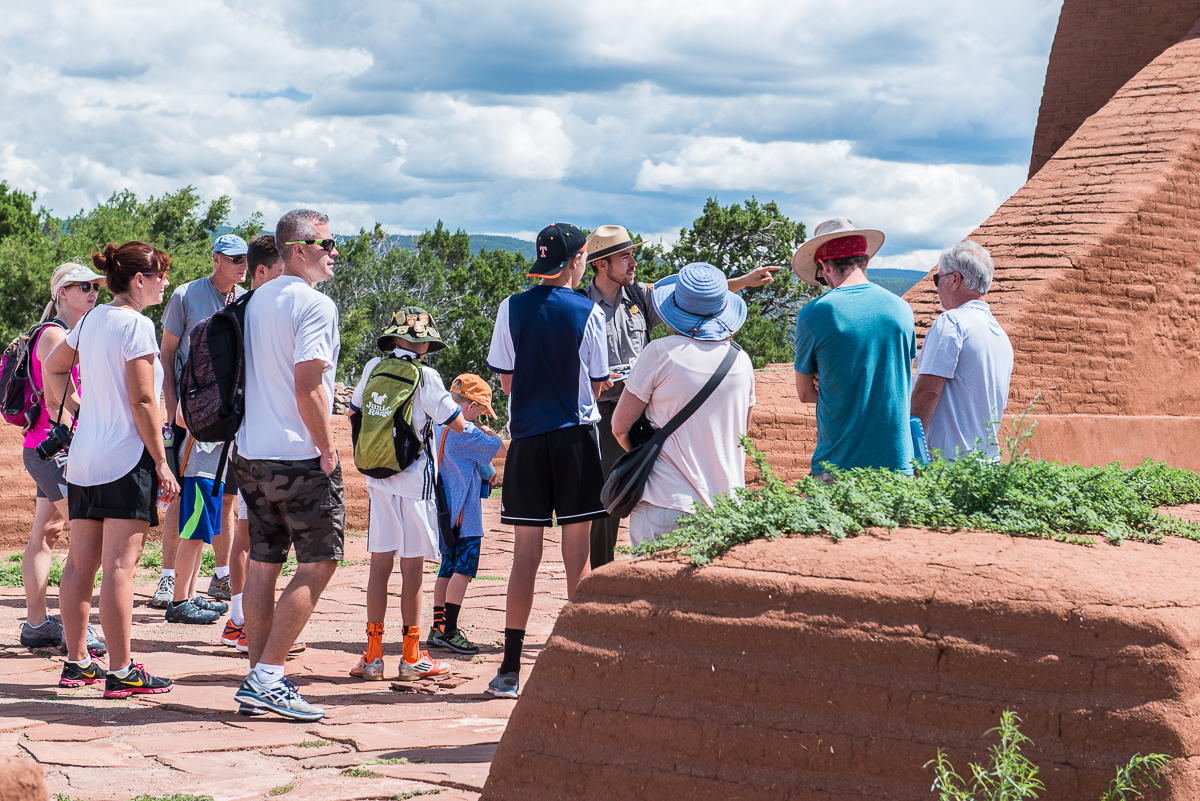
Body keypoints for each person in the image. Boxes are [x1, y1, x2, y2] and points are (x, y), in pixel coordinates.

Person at [582, 225, 780, 567]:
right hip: (603, 414)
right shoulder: (581, 306)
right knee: (605, 504)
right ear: (601, 264)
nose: (633, 263)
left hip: (643, 419)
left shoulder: (640, 296)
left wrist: (743, 281)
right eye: (625, 257)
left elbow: (691, 298)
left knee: (646, 492)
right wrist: (594, 380)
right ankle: (601, 574)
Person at [44, 241, 181, 697]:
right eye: (160, 274)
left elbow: (53, 368)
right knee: (121, 567)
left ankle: (78, 662)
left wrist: (75, 414)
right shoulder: (137, 325)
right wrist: (162, 461)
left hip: (84, 459)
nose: (165, 282)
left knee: (81, 564)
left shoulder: (91, 321)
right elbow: (144, 400)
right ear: (139, 280)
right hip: (126, 459)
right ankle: (122, 671)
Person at [485, 222, 609, 699]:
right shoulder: (588, 312)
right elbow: (597, 384)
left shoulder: (510, 307)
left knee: (524, 557)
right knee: (576, 555)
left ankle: (509, 669)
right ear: (577, 260)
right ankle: (578, 660)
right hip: (575, 439)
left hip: (528, 441)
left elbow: (507, 382)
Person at [231, 210, 343, 722]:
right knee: (320, 561)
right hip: (299, 455)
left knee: (263, 561)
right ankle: (269, 675)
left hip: (252, 452)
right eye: (327, 242)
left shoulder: (255, 300)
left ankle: (259, 674)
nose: (335, 251)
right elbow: (308, 385)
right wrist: (328, 447)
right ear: (298, 249)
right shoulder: (315, 305)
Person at [347, 307, 466, 682]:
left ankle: (372, 656)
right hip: (414, 481)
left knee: (379, 568)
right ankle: (412, 656)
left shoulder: (371, 368)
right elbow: (458, 425)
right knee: (412, 569)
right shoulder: (427, 376)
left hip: (378, 479)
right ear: (425, 344)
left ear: (392, 339)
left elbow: (355, 413)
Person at [610, 263, 756, 544]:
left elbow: (619, 427)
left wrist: (646, 452)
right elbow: (742, 433)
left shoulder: (659, 353)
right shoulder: (741, 361)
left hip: (665, 500)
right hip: (727, 505)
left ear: (674, 309)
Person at [152, 234, 248, 611]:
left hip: (228, 419)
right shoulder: (186, 295)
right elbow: (167, 354)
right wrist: (174, 411)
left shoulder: (242, 300)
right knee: (182, 494)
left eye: (245, 258)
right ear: (216, 260)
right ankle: (169, 581)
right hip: (188, 416)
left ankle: (218, 576)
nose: (242, 264)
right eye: (234, 258)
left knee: (223, 497)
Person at [18, 263, 106, 659]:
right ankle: (79, 634)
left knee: (46, 533)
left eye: (95, 286)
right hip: (59, 451)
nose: (93, 292)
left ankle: (37, 625)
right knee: (87, 539)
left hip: (44, 446)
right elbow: (59, 399)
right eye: (83, 286)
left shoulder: (61, 333)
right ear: (62, 293)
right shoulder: (56, 333)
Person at [792, 217, 916, 476]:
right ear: (866, 261)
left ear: (824, 267)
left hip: (839, 464)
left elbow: (805, 393)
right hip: (897, 464)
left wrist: (829, 383)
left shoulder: (815, 315)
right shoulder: (902, 310)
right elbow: (901, 378)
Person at [221, 233, 297, 654]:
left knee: (250, 535)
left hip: (243, 439)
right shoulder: (258, 311)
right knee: (253, 538)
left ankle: (240, 619)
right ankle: (243, 625)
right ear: (262, 271)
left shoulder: (238, 312)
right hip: (264, 443)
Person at [911, 241, 1014, 460]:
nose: (936, 287)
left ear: (955, 280)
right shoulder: (1001, 336)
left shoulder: (952, 322)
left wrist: (907, 446)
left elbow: (928, 392)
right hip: (984, 467)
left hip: (947, 468)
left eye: (937, 279)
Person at [428, 374, 505, 655]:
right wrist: (485, 429)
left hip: (445, 512)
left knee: (446, 570)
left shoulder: (438, 425)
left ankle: (437, 626)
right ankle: (450, 630)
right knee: (464, 571)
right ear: (470, 405)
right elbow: (502, 449)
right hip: (465, 517)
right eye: (482, 411)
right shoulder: (466, 432)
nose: (482, 417)